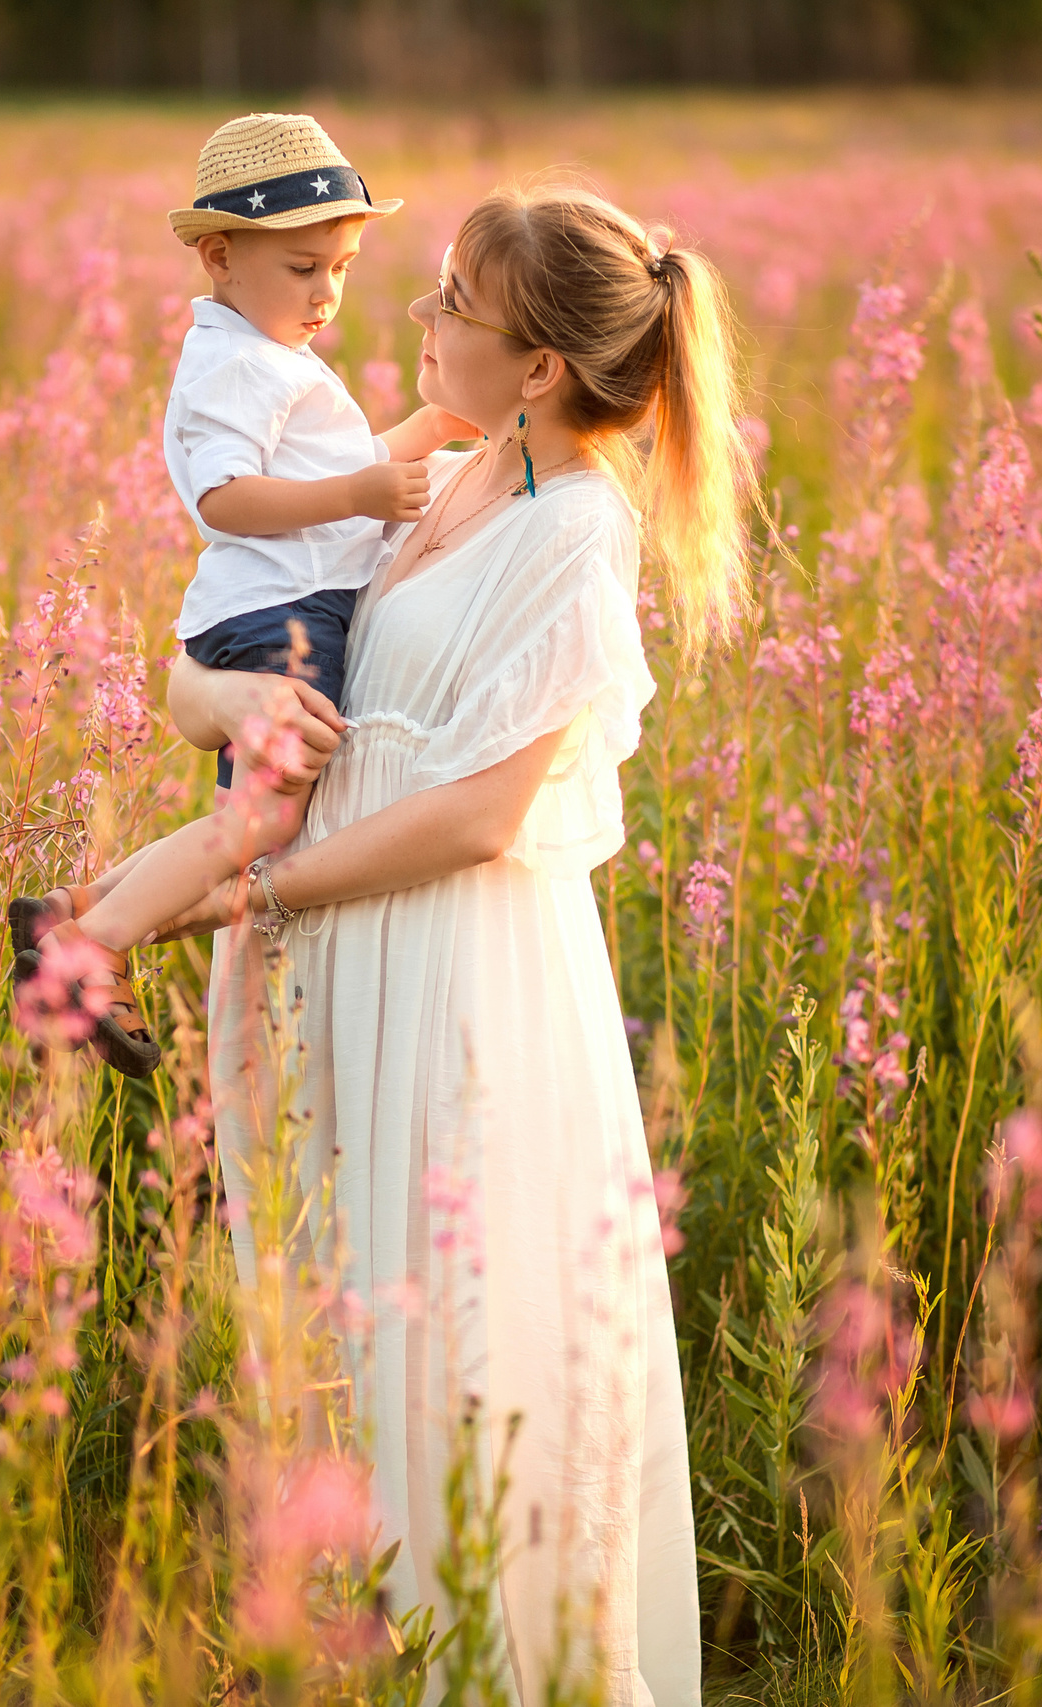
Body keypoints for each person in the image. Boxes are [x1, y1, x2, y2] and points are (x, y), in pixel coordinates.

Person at [168, 181, 754, 1706]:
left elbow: (487, 814)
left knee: (471, 1362)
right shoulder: (454, 478)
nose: (416, 320)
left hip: (464, 977)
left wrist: (270, 895)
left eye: (450, 304)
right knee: (362, 1358)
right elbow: (212, 654)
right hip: (359, 960)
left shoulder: (577, 529)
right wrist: (220, 705)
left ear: (542, 363)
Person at [8, 111, 473, 1075]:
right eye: (304, 268)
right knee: (257, 828)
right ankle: (85, 953)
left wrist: (417, 435)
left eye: (340, 267)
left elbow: (329, 478)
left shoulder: (268, 355)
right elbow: (226, 499)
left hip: (275, 608)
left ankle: (72, 908)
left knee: (248, 824)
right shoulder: (234, 363)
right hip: (279, 620)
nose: (327, 293)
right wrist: (359, 489)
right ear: (219, 257)